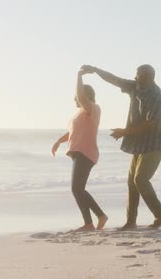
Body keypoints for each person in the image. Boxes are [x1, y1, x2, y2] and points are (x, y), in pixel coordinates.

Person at [81, 64, 161, 231]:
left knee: (140, 179)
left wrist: (125, 132)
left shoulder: (158, 98)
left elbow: (150, 125)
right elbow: (115, 80)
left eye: (139, 76)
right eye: (135, 76)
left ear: (149, 78)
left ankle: (160, 215)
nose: (136, 79)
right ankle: (130, 222)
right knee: (131, 182)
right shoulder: (135, 86)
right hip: (139, 143)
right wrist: (96, 70)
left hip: (154, 143)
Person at [51, 69, 108, 232]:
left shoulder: (93, 108)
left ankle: (94, 220)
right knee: (78, 189)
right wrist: (58, 142)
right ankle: (95, 220)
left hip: (86, 153)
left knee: (76, 189)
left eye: (77, 96)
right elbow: (72, 133)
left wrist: (79, 76)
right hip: (79, 154)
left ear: (86, 96)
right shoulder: (80, 113)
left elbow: (82, 97)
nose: (75, 98)